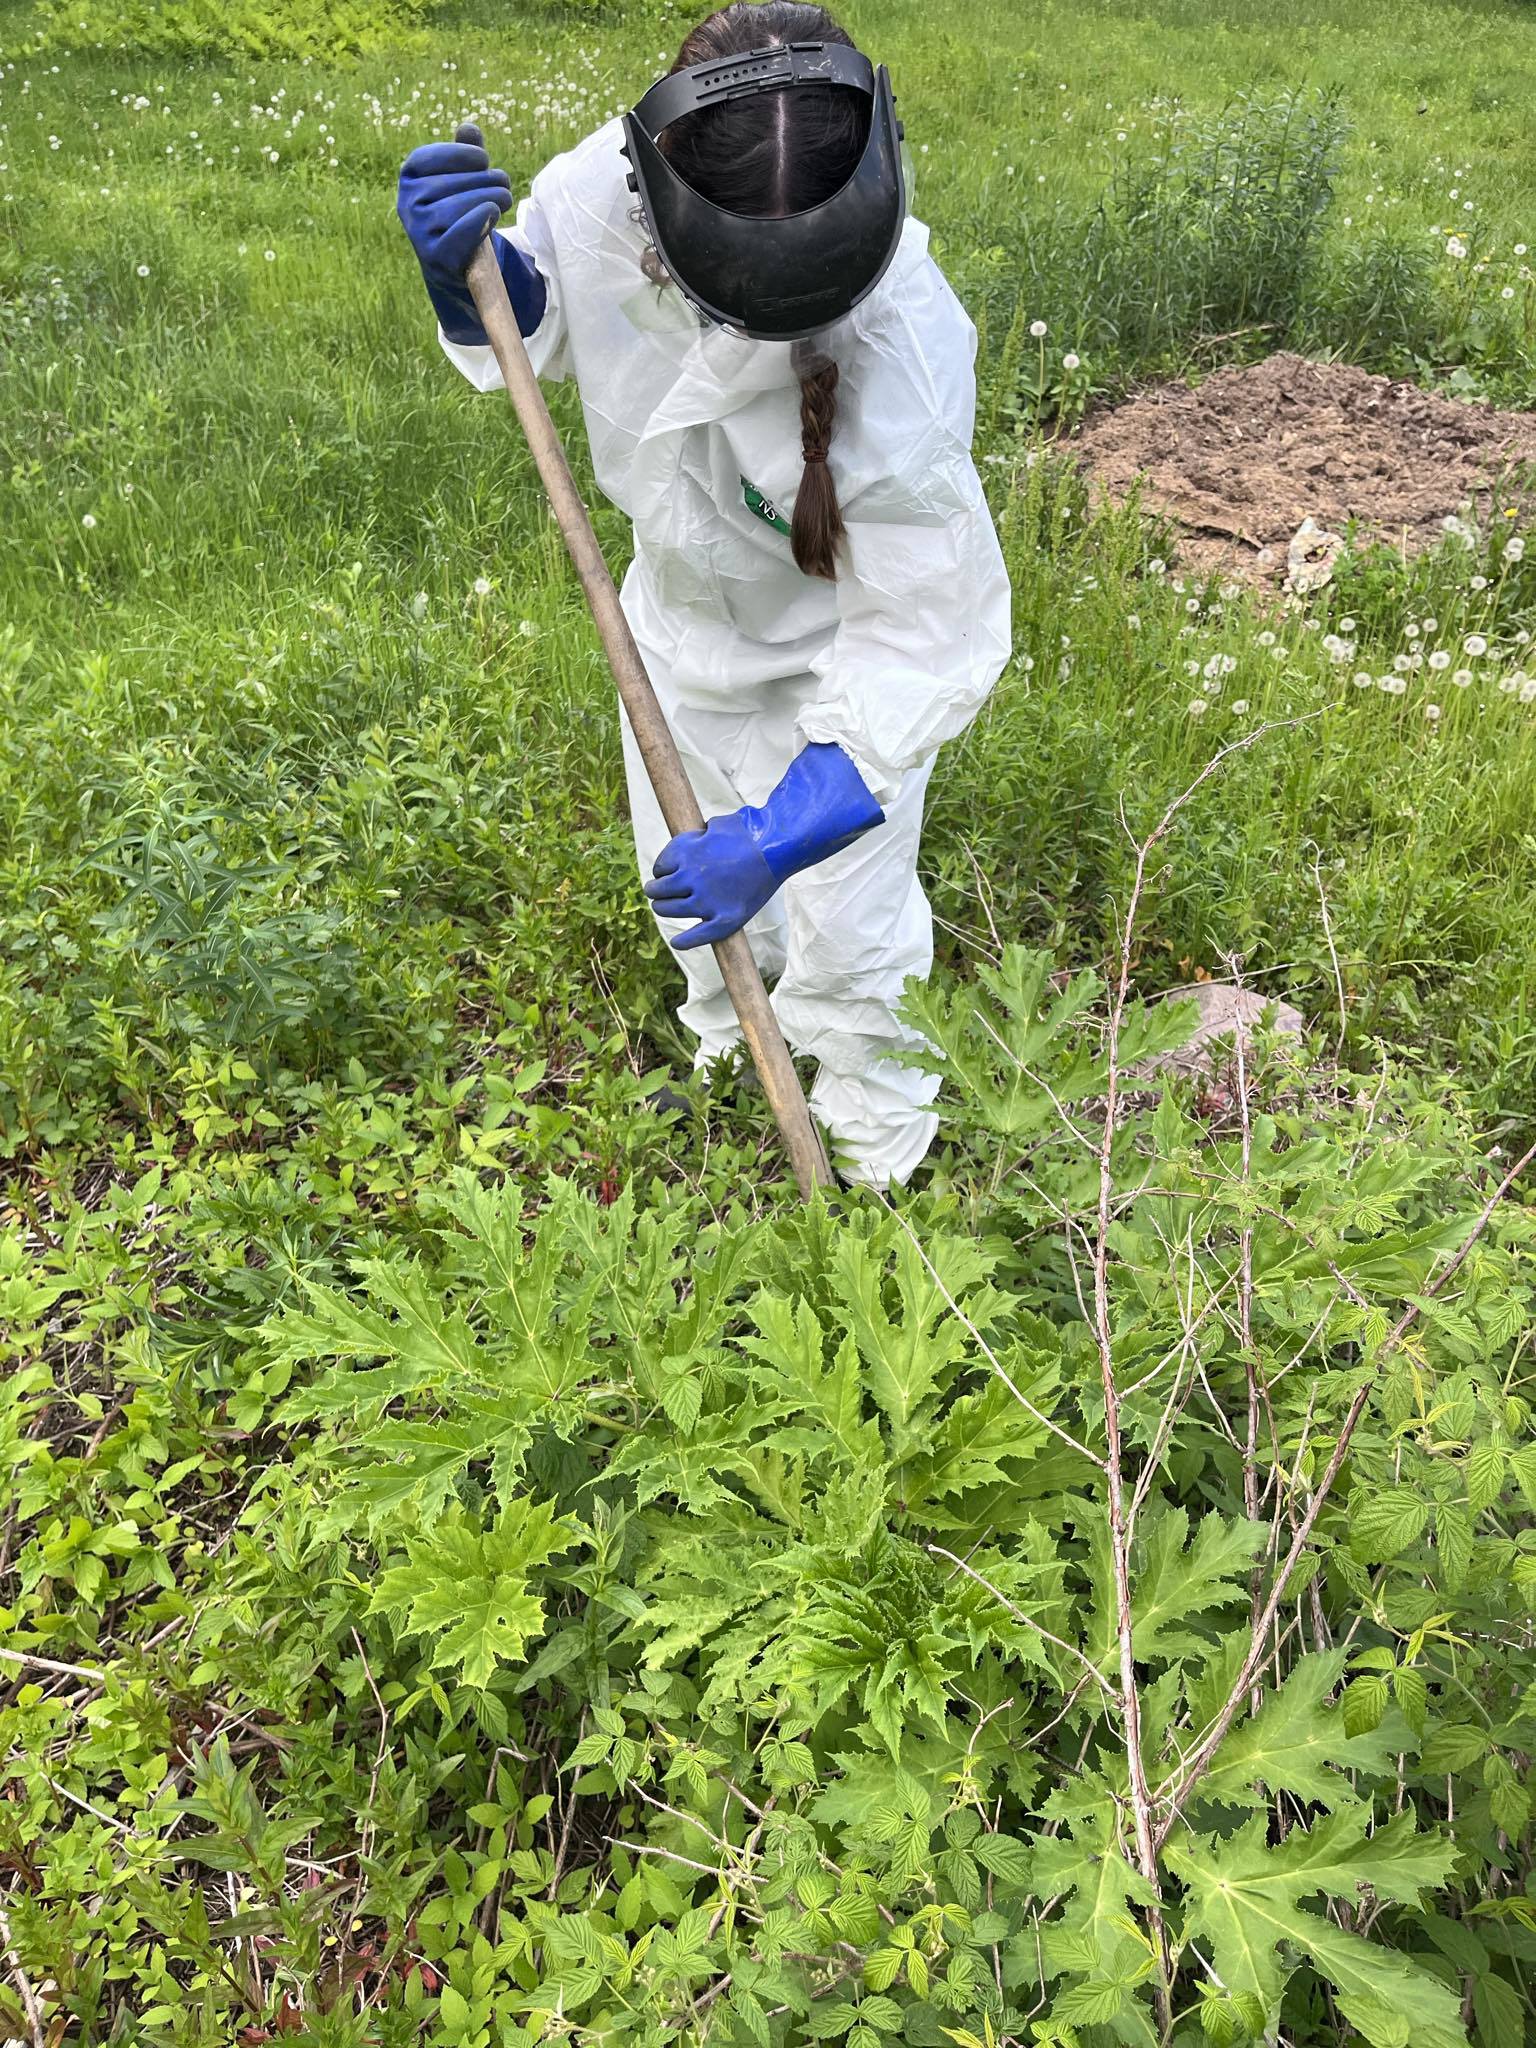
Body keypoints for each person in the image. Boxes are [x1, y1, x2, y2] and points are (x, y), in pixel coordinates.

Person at [396, 1, 1011, 1188]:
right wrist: (468, 272)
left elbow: (920, 641)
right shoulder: (601, 194)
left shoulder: (909, 350)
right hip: (673, 637)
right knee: (690, 892)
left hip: (838, 670)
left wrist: (784, 830)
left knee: (851, 933)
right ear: (660, 213)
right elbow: (545, 323)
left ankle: (879, 1164)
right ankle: (734, 1070)